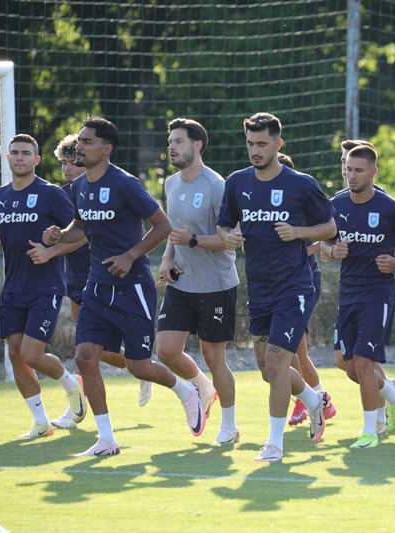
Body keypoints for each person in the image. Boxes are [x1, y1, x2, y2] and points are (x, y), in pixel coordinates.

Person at [42, 116, 202, 457]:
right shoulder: (80, 187)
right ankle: (106, 440)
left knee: (138, 366)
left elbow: (163, 226)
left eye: (87, 141)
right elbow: (80, 227)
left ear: (106, 149)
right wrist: (59, 235)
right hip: (96, 286)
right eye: (79, 141)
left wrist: (130, 256)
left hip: (133, 287)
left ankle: (187, 392)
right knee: (85, 356)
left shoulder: (125, 184)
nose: (79, 147)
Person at [217, 112, 336, 462]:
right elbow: (224, 226)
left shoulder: (301, 184)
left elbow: (329, 228)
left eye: (262, 144)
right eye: (250, 144)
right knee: (267, 369)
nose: (255, 150)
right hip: (259, 289)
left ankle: (274, 444)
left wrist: (297, 232)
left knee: (276, 361)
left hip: (294, 287)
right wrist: (229, 236)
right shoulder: (237, 182)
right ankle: (314, 401)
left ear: (277, 144)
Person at [31, 134, 151, 430]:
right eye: (63, 163)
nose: (68, 168)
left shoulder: (106, 188)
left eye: (73, 162)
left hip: (103, 275)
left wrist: (52, 251)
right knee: (87, 349)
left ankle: (141, 370)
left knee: (92, 351)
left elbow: (85, 235)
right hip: (75, 276)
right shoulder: (66, 193)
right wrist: (52, 237)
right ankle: (139, 369)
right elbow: (67, 231)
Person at [0, 134, 87, 439]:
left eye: (26, 153)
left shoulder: (50, 194)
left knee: (31, 355)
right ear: (8, 158)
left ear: (36, 160)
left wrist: (51, 251)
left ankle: (72, 385)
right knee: (16, 354)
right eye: (15, 153)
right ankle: (41, 423)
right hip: (12, 288)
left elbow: (82, 233)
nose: (20, 157)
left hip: (45, 287)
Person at [322, 144, 395, 448]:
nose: (351, 176)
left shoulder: (391, 207)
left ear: (373, 172)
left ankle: (369, 432)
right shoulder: (336, 204)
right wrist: (333, 250)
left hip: (378, 293)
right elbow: (324, 242)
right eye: (347, 170)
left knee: (364, 363)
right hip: (348, 291)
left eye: (358, 170)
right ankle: (394, 394)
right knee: (347, 365)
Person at [156, 118, 240, 445]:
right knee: (166, 351)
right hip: (182, 284)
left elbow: (230, 241)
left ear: (197, 145)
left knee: (214, 358)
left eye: (178, 141)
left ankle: (229, 426)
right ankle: (204, 389)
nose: (171, 147)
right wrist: (167, 258)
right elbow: (174, 231)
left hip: (216, 286)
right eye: (170, 142)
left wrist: (192, 241)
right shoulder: (170, 184)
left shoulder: (217, 186)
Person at [278, 152, 338, 428]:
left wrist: (303, 246)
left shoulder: (302, 198)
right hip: (277, 283)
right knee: (296, 350)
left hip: (304, 280)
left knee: (293, 348)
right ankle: (319, 400)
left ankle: (310, 399)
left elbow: (326, 236)